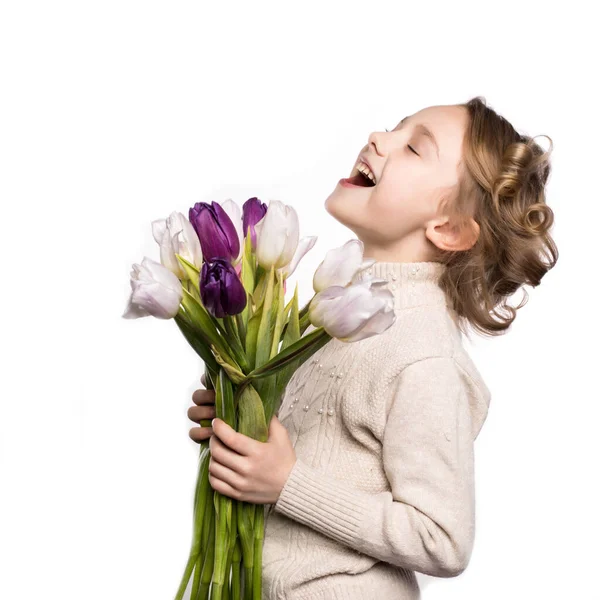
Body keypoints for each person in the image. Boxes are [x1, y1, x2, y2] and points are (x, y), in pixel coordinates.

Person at [187, 96, 558, 599]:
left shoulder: (424, 353)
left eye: (413, 149)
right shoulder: (334, 313)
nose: (379, 139)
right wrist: (242, 415)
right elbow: (311, 444)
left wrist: (288, 483)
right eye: (394, 127)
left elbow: (443, 539)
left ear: (447, 229)